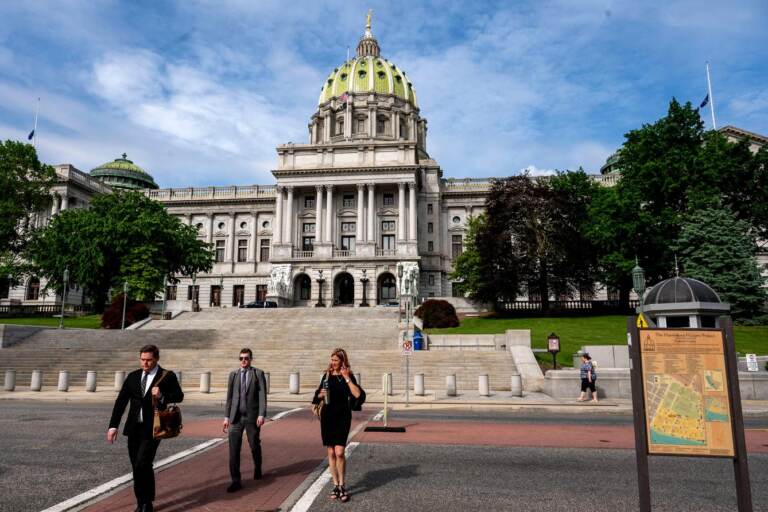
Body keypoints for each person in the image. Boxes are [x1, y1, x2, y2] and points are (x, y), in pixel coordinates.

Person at [107, 344, 183, 512]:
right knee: (137, 465)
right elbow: (120, 402)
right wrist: (113, 426)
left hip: (154, 428)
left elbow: (179, 396)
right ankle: (142, 500)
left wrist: (162, 395)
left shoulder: (167, 376)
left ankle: (145, 503)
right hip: (134, 428)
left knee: (143, 462)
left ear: (156, 359)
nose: (145, 363)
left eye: (149, 360)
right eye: (142, 360)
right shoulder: (133, 377)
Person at [312, 348, 362, 503]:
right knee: (331, 452)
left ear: (342, 361)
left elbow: (357, 394)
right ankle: (335, 485)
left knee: (340, 452)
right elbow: (316, 396)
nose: (333, 363)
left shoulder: (348, 375)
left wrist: (347, 378)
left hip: (343, 417)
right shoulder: (326, 375)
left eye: (336, 360)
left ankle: (342, 485)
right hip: (328, 417)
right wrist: (319, 394)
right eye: (332, 360)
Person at [223, 347, 267, 493]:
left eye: (246, 358)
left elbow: (262, 396)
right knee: (233, 450)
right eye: (241, 358)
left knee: (254, 445)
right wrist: (226, 417)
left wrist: (261, 414)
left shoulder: (258, 374)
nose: (243, 361)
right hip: (235, 418)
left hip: (251, 417)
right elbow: (229, 397)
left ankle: (258, 467)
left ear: (251, 359)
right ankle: (235, 480)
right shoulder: (233, 375)